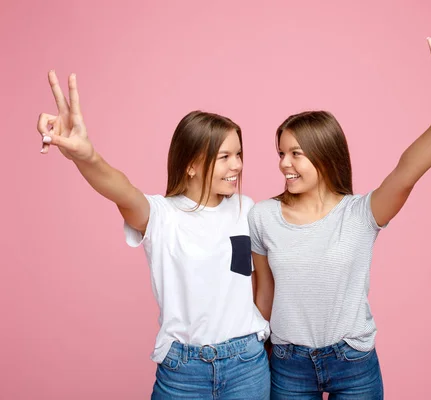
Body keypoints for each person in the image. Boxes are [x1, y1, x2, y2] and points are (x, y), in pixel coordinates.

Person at [249, 29, 431, 399]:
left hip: (352, 362)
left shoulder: (360, 214)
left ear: (324, 154)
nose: (284, 164)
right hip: (287, 363)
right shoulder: (262, 217)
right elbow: (264, 296)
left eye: (295, 154)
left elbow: (408, 170)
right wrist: (254, 355)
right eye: (280, 153)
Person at [36, 71, 270, 399]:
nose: (238, 166)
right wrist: (85, 155)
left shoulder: (247, 210)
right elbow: (120, 189)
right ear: (191, 165)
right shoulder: (161, 215)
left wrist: (262, 337)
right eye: (225, 157)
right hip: (182, 372)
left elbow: (261, 281)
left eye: (239, 154)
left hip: (248, 365)